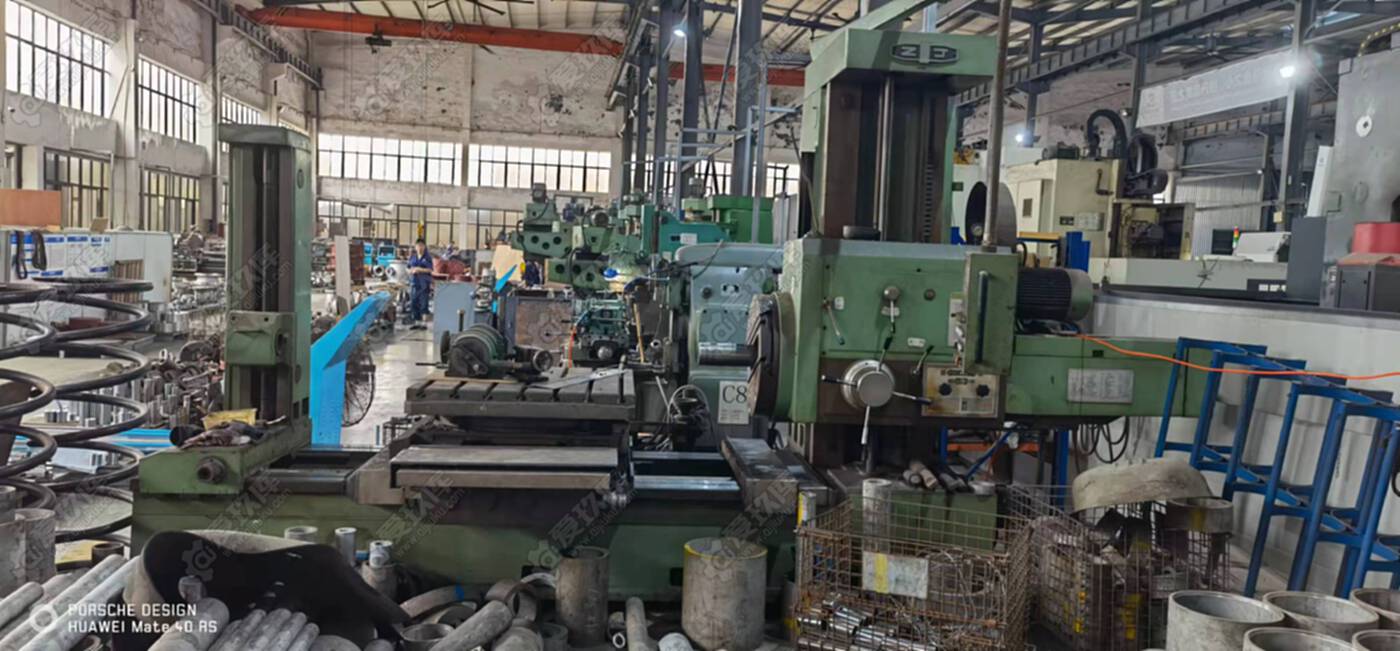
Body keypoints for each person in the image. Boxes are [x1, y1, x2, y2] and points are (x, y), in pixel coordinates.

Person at [407, 238, 434, 330]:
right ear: (415, 247)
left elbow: (430, 269)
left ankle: (424, 323)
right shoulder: (413, 257)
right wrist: (410, 271)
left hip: (424, 284)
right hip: (414, 283)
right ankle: (417, 322)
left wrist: (419, 269)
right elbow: (408, 267)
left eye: (422, 245)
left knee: (423, 303)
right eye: (418, 246)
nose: (420, 247)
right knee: (414, 302)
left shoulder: (427, 257)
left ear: (424, 247)